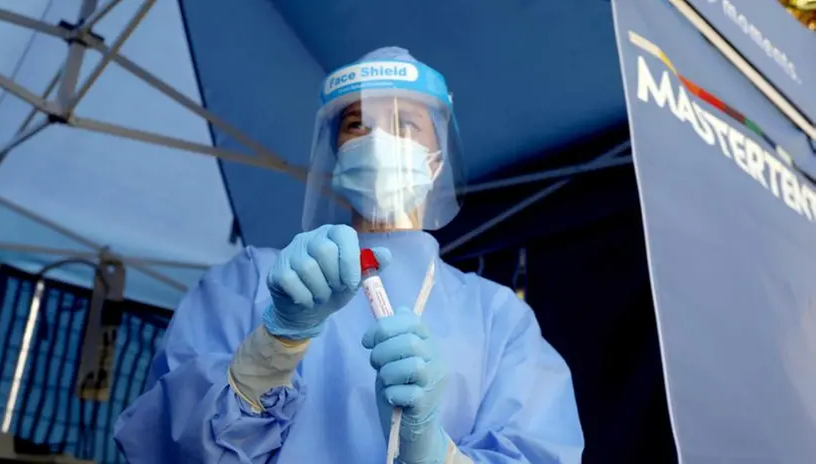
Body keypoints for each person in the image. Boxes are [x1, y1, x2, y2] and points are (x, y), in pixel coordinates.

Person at [114, 46, 584, 463]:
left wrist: (432, 453)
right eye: (358, 124)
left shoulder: (498, 319)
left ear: (437, 158)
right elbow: (171, 449)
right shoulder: (251, 282)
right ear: (336, 154)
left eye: (405, 124)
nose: (379, 140)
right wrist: (275, 344)